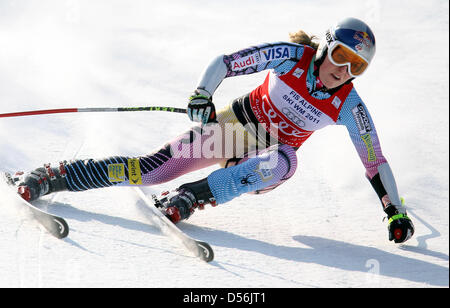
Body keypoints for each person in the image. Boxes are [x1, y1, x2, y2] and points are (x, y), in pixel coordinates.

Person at [11, 17, 414, 244]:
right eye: (341, 57)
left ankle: (189, 198)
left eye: (356, 67)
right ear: (327, 46)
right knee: (151, 169)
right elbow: (228, 61)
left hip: (264, 159)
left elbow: (374, 161)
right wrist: (203, 94)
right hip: (231, 129)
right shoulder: (293, 56)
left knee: (282, 161)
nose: (342, 72)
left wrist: (393, 209)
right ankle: (55, 176)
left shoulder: (350, 105)